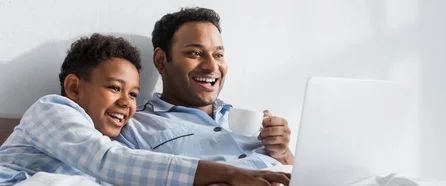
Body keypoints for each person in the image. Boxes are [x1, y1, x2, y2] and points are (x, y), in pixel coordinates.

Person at [0, 33, 290, 186]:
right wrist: (227, 173)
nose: (127, 102)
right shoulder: (52, 110)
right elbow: (109, 161)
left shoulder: (111, 136)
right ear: (75, 87)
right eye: (115, 88)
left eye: (134, 94)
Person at [119, 7, 295, 170]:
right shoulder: (134, 127)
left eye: (218, 55)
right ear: (161, 60)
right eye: (195, 53)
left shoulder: (247, 122)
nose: (212, 67)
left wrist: (282, 153)